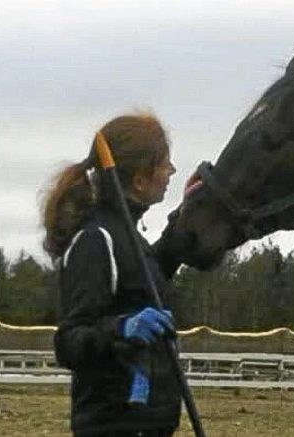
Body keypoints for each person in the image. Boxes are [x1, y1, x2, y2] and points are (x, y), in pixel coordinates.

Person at [42, 113, 181, 437]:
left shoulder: (129, 236)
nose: (171, 172)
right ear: (139, 179)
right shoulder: (96, 240)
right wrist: (122, 329)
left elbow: (147, 276)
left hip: (147, 426)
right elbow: (68, 342)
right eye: (165, 164)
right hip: (114, 426)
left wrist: (189, 211)